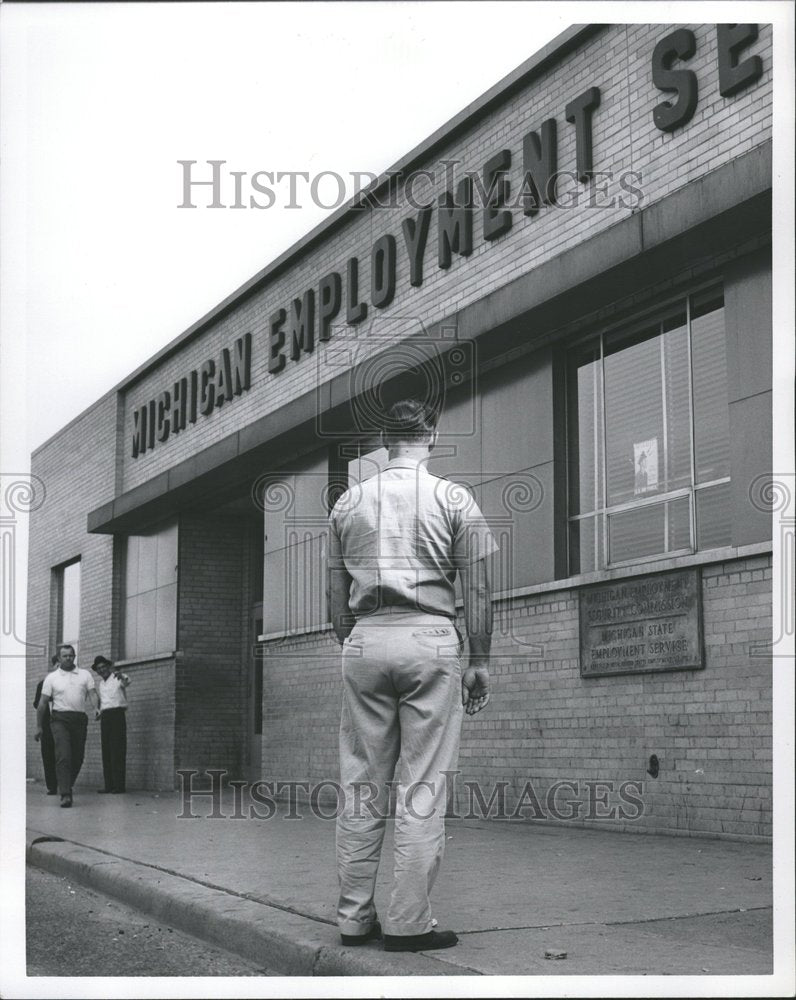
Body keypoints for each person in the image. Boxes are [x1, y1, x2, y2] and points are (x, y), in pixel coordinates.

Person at [327, 398, 497, 953]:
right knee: (423, 784)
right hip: (431, 636)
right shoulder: (454, 499)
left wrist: (360, 642)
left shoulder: (348, 502)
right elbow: (480, 589)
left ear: (383, 438)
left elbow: (334, 607)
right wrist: (479, 659)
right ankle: (407, 923)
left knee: (361, 784)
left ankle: (353, 920)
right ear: (432, 435)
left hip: (365, 638)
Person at [35, 644, 99, 807]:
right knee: (64, 755)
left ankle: (66, 783)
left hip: (79, 719)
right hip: (59, 719)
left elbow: (92, 694)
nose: (68, 658)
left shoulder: (85, 675)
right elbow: (42, 704)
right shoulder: (52, 678)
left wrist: (96, 708)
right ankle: (65, 794)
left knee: (78, 756)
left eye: (71, 655)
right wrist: (39, 727)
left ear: (74, 656)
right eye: (65, 656)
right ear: (59, 658)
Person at [91, 655, 131, 794]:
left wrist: (122, 676)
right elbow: (105, 702)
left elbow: (126, 681)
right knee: (106, 751)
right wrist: (99, 712)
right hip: (106, 717)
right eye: (99, 669)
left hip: (117, 716)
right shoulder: (101, 684)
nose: (102, 670)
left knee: (117, 750)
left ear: (108, 667)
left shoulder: (117, 678)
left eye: (104, 667)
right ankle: (109, 785)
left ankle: (119, 786)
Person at [32, 655, 60, 795]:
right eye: (58, 665)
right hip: (48, 725)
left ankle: (64, 784)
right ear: (54, 666)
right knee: (48, 755)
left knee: (63, 754)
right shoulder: (43, 684)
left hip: (63, 724)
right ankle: (52, 786)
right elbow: (37, 704)